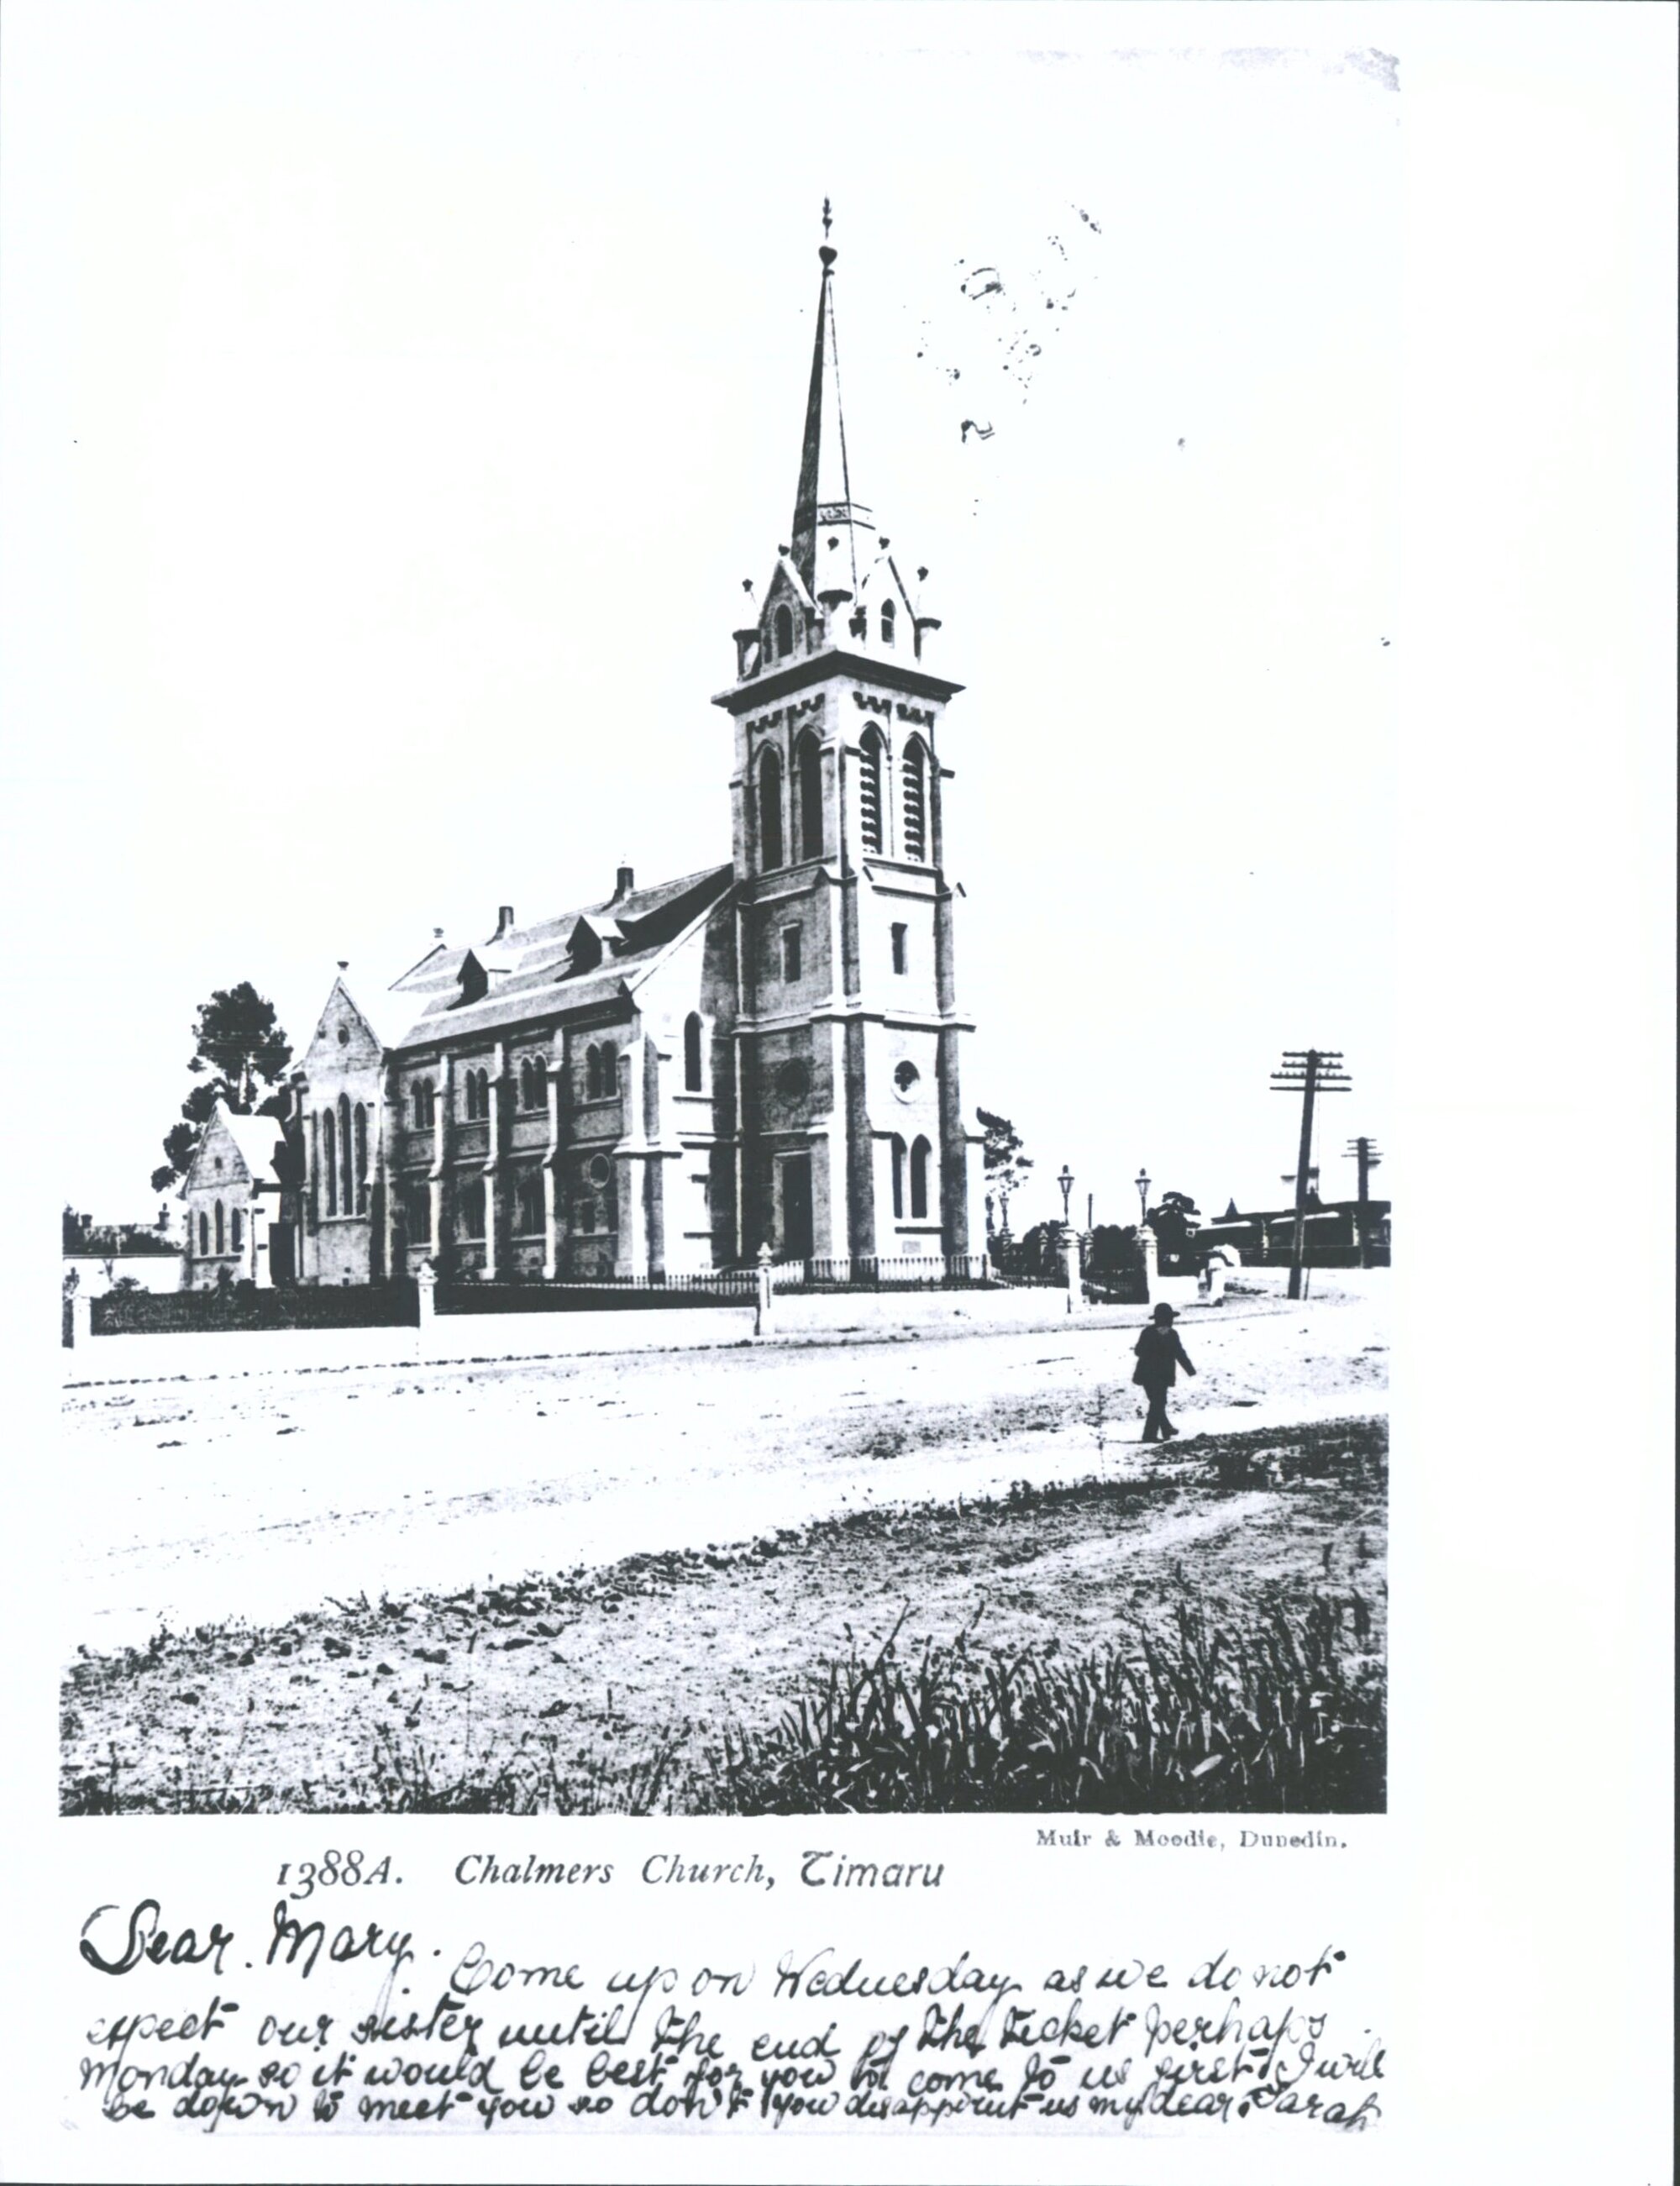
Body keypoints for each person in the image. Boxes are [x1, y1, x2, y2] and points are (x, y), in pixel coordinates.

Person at [1133, 1301, 1196, 1442]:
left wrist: (1190, 1369)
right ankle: (1149, 1435)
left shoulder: (1173, 1334)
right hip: (1148, 1375)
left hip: (1163, 1376)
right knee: (1158, 1403)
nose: (1171, 1321)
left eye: (1171, 1318)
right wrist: (1155, 1341)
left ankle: (1165, 1428)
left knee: (1158, 1403)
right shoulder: (1149, 1333)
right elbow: (1138, 1351)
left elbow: (1180, 1353)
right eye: (1168, 1318)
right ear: (1160, 1319)